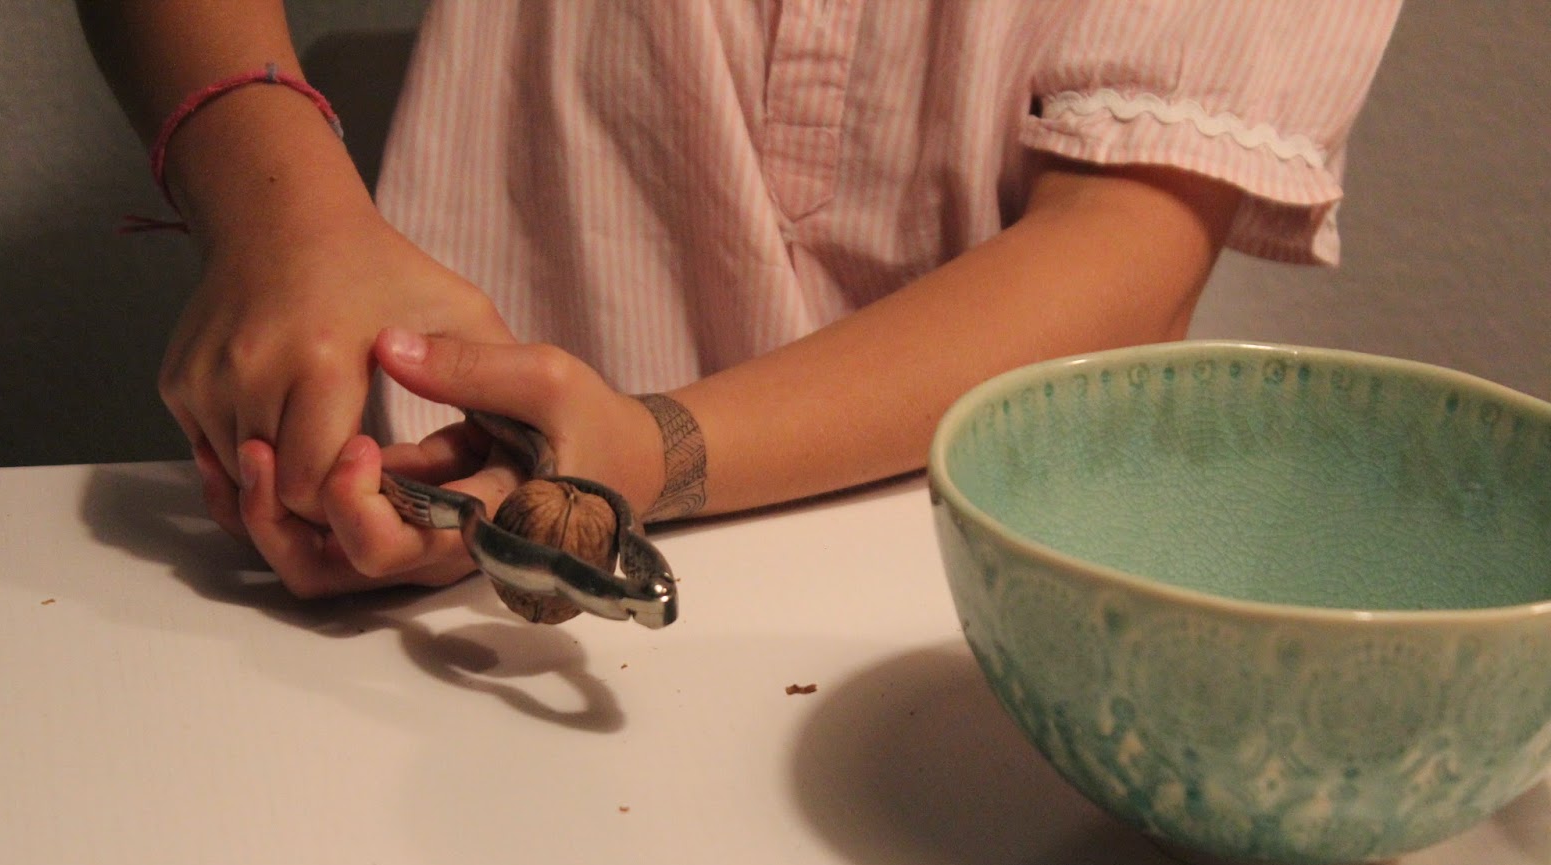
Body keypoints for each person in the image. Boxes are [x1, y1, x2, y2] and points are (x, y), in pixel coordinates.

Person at [78, 1, 1402, 599]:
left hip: (944, 634)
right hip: (421, 548)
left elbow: (1126, 247)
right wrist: (276, 207)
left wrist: (651, 452)